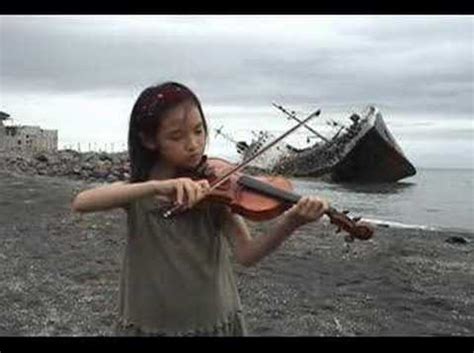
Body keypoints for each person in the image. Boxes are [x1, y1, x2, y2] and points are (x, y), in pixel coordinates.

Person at [71, 81, 329, 336]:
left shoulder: (215, 190)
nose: (193, 144)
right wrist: (155, 187)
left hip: (210, 320)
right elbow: (82, 202)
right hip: (149, 321)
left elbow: (247, 254)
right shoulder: (136, 193)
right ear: (149, 140)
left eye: (198, 131)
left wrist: (291, 222)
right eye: (177, 136)